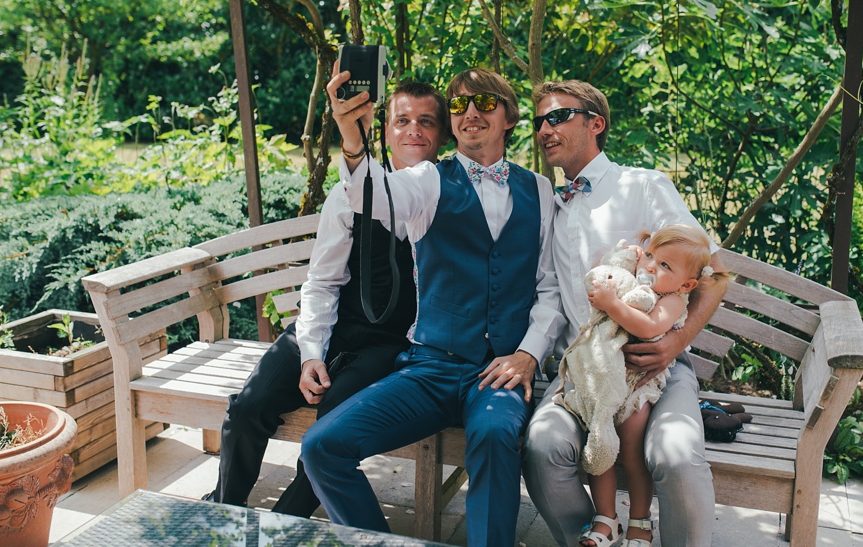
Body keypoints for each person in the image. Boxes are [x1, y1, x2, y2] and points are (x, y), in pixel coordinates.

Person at [301, 65, 563, 547]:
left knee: (494, 435)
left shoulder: (540, 190)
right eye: (459, 104)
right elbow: (372, 198)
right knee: (322, 447)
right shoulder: (427, 180)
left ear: (509, 117)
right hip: (431, 366)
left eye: (484, 103)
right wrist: (353, 139)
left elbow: (550, 288)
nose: (469, 114)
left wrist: (528, 354)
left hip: (499, 370)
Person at [204, 82, 448, 516]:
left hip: (386, 345)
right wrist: (311, 352)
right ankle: (226, 511)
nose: (414, 130)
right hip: (328, 327)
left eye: (426, 122)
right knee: (248, 407)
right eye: (402, 120)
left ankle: (284, 527)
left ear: (443, 136)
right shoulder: (346, 194)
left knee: (332, 428)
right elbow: (321, 281)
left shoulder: (448, 199)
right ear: (386, 131)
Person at [522, 80, 729, 547]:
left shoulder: (644, 185)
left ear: (596, 124)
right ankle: (595, 534)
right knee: (542, 447)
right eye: (540, 121)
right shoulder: (551, 205)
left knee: (675, 456)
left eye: (558, 116)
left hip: (655, 363)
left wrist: (672, 343)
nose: (544, 128)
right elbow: (551, 293)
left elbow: (713, 275)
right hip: (583, 367)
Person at [558, 226, 732, 547]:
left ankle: (640, 520)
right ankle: (606, 518)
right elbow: (608, 271)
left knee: (632, 455)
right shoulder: (639, 280)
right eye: (650, 255)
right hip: (604, 380)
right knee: (602, 448)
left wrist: (612, 305)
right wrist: (623, 262)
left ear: (687, 284)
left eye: (665, 266)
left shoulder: (674, 301)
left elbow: (648, 325)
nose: (651, 266)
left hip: (637, 387)